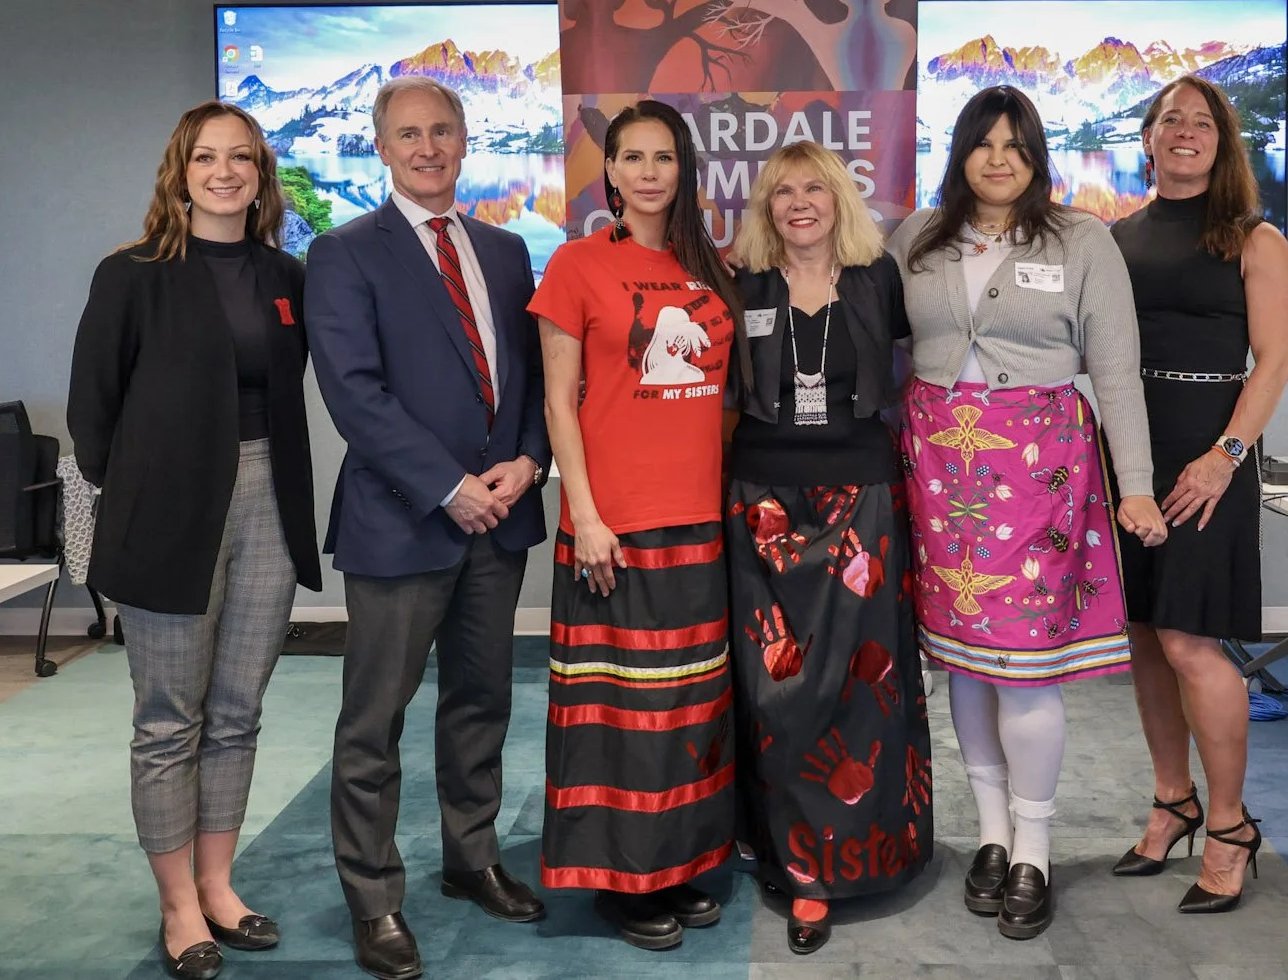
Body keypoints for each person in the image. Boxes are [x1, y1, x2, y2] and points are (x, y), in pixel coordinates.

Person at [890, 84, 1166, 941]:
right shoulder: (916, 238)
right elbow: (885, 346)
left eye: (1015, 144)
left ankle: (1036, 849)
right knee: (966, 664)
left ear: (1037, 155)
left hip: (1041, 469)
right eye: (983, 143)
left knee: (1028, 664)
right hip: (937, 466)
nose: (998, 158)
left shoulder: (1083, 240)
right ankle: (992, 835)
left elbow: (1116, 369)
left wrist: (1138, 483)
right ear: (960, 154)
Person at [69, 101, 322, 980]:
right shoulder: (131, 274)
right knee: (169, 718)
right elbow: (90, 416)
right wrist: (145, 489)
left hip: (268, 502)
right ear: (180, 173)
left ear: (261, 175)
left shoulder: (285, 275)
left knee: (239, 709)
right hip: (167, 507)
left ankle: (218, 882)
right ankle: (178, 903)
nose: (225, 172)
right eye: (207, 158)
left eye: (241, 158)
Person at [306, 78, 551, 980]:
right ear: (381, 145)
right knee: (375, 721)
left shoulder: (507, 248)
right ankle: (374, 899)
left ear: (463, 137)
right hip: (404, 522)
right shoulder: (343, 253)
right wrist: (449, 485)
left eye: (442, 130)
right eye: (408, 133)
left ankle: (471, 856)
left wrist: (528, 464)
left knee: (483, 702)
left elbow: (527, 375)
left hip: (501, 516)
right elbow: (354, 395)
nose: (427, 147)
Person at [528, 99, 746, 952]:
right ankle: (621, 882)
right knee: (618, 715)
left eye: (666, 156)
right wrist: (585, 513)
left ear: (683, 170)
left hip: (700, 518)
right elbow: (558, 399)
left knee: (689, 706)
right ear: (609, 171)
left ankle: (680, 860)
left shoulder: (709, 269)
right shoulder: (578, 264)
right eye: (633, 156)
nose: (650, 171)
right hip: (614, 522)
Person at [725, 142, 932, 956]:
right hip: (762, 504)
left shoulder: (881, 276)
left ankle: (869, 852)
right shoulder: (740, 284)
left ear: (840, 198)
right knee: (776, 690)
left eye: (815, 187)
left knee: (863, 686)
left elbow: (934, 368)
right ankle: (793, 858)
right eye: (783, 191)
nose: (799, 202)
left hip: (863, 501)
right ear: (765, 206)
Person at [1109, 75, 1288, 914]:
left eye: (1201, 122)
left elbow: (1275, 364)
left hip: (1207, 461)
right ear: (1147, 137)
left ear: (1223, 142)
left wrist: (1224, 455)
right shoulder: (1112, 238)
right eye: (1169, 119)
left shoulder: (1256, 240)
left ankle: (1228, 826)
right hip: (1131, 454)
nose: (1184, 131)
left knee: (1191, 641)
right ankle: (1171, 798)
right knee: (1145, 636)